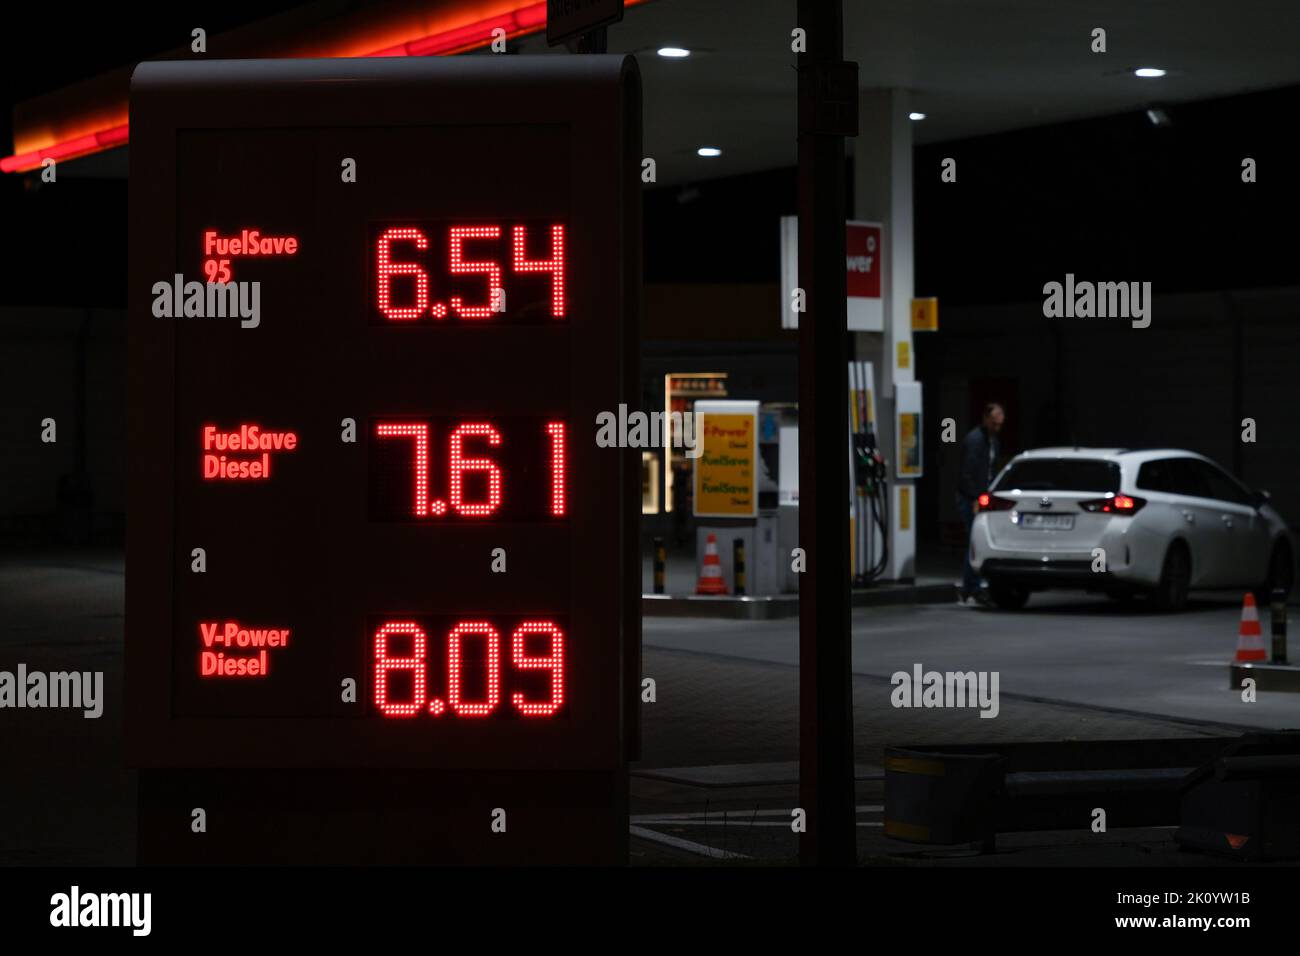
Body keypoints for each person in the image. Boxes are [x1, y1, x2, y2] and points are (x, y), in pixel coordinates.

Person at [956, 402, 1004, 604]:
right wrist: (975, 498)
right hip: (971, 499)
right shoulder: (976, 441)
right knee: (974, 542)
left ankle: (971, 586)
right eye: (993, 423)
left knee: (976, 542)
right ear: (985, 419)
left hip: (983, 498)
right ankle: (972, 586)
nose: (996, 428)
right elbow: (967, 474)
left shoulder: (992, 441)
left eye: (999, 424)